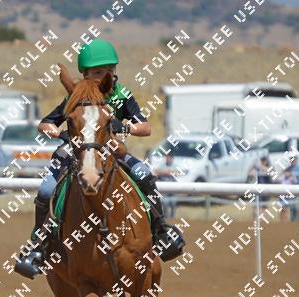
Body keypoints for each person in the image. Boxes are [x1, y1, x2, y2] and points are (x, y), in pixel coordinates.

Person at [15, 39, 185, 278]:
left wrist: (125, 129)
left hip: (112, 151)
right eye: (97, 72)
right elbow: (45, 124)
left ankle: (160, 230)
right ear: (85, 74)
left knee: (145, 175)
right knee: (45, 190)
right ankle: (39, 246)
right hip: (75, 152)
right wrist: (61, 133)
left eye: (109, 70)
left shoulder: (122, 94)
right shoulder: (76, 95)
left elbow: (145, 128)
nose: (104, 75)